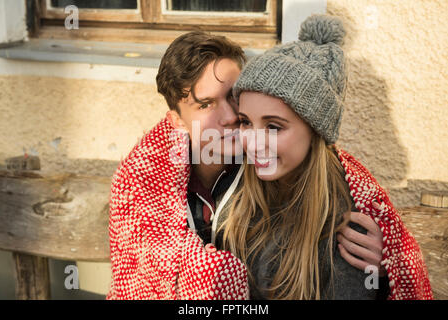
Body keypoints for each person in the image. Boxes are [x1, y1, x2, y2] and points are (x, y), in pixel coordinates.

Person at [107, 27, 387, 300]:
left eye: (232, 95)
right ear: (177, 120)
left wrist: (384, 266)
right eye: (206, 104)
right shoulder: (148, 181)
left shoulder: (276, 175)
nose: (230, 115)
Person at [216, 14, 433, 299]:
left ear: (316, 131)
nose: (253, 143)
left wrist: (388, 266)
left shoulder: (349, 226)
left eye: (273, 127)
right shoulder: (238, 191)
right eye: (245, 122)